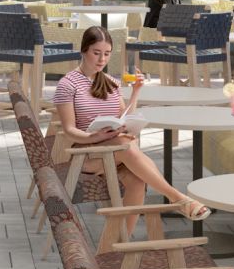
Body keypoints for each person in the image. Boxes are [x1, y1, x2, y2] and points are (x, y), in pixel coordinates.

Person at [53, 26, 211, 221]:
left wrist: (136, 92)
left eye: (107, 54)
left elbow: (125, 116)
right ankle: (176, 197)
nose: (102, 59)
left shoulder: (111, 83)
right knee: (126, 146)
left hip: (115, 152)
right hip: (86, 155)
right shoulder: (67, 84)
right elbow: (69, 131)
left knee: (137, 180)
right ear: (84, 50)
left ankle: (120, 242)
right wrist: (94, 136)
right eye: (96, 53)